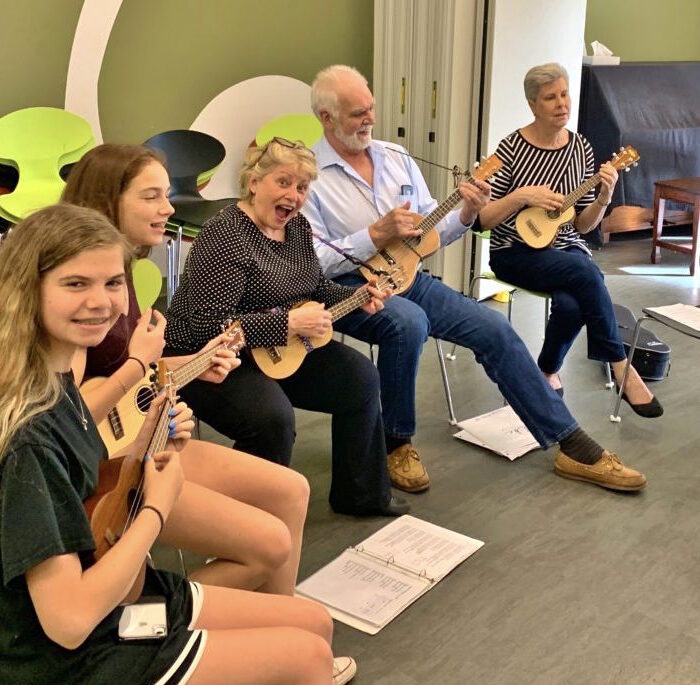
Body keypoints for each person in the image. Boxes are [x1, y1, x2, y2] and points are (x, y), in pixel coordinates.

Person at [0, 204, 358, 685]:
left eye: (112, 284)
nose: (102, 302)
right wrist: (156, 509)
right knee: (309, 657)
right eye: (75, 284)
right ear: (30, 289)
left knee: (317, 623)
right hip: (69, 655)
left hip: (118, 595)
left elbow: (92, 467)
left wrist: (151, 438)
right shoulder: (30, 437)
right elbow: (68, 623)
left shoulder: (57, 376)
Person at [303, 64, 646, 492]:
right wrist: (372, 235)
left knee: (495, 330)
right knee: (408, 323)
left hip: (407, 277)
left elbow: (433, 229)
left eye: (371, 108)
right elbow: (306, 262)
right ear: (327, 118)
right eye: (357, 113)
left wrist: (466, 212)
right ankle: (395, 443)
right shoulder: (309, 175)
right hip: (348, 290)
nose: (369, 119)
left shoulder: (395, 157)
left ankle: (572, 445)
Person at [62, 144, 311, 597]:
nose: (169, 207)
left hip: (138, 438)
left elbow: (127, 375)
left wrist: (188, 366)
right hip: (99, 469)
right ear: (107, 201)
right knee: (268, 544)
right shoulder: (78, 289)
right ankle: (143, 629)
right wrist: (142, 362)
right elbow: (63, 415)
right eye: (152, 196)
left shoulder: (117, 268)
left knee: (292, 491)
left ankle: (280, 623)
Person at [165, 137, 408, 516]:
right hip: (208, 358)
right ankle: (246, 526)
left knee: (360, 377)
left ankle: (361, 496)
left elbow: (313, 286)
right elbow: (209, 327)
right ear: (254, 182)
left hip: (277, 348)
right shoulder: (224, 234)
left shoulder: (297, 229)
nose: (293, 196)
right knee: (272, 420)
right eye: (283, 182)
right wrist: (288, 322)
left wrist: (360, 295)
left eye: (302, 187)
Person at [479, 62, 662, 418]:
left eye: (565, 94)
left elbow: (579, 225)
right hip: (513, 251)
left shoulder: (581, 148)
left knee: (574, 304)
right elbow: (483, 219)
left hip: (563, 249)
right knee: (588, 274)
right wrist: (521, 197)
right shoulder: (511, 148)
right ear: (533, 104)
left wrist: (604, 199)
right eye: (551, 97)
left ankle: (546, 370)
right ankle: (620, 364)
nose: (562, 103)